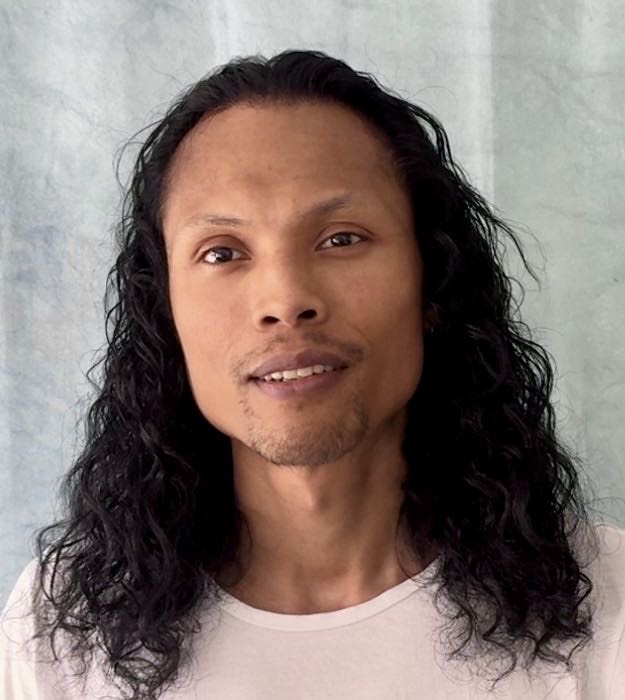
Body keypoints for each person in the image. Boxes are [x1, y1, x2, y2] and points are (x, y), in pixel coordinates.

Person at [1, 49, 623, 700]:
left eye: (341, 239)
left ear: (433, 283)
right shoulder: (62, 637)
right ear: (165, 314)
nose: (285, 299)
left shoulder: (605, 605)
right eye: (221, 252)